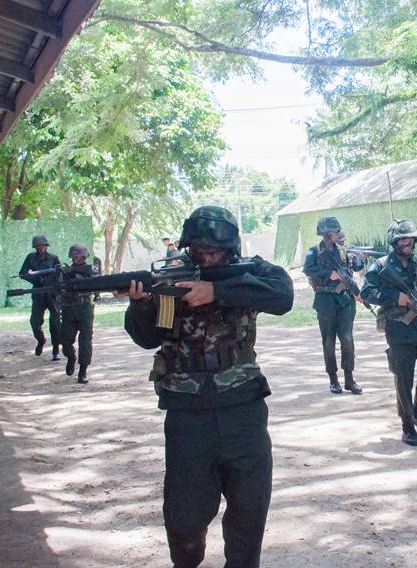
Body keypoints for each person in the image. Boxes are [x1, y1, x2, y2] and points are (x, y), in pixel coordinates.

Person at [123, 206, 293, 568]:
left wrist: (216, 290)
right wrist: (141, 305)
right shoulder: (170, 277)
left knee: (249, 509)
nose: (207, 256)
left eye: (215, 251)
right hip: (187, 412)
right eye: (199, 250)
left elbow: (283, 296)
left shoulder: (249, 271)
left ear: (230, 249)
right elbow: (149, 338)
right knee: (184, 519)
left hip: (243, 405)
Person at [361, 219, 417, 447]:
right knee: (404, 380)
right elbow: (367, 292)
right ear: (394, 242)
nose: (408, 244)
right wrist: (397, 298)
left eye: (411, 240)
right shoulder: (380, 266)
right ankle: (407, 426)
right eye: (403, 240)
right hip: (398, 330)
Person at [303, 217, 364, 395]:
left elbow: (353, 269)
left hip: (344, 300)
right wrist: (329, 274)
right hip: (324, 300)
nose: (336, 234)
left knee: (347, 339)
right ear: (325, 233)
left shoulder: (343, 252)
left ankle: (349, 379)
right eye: (333, 231)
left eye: (337, 231)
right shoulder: (314, 252)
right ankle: (333, 379)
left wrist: (359, 260)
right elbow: (308, 269)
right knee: (329, 341)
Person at [19, 234, 62, 360]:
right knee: (35, 321)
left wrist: (52, 281)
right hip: (38, 292)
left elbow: (60, 273)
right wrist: (36, 279)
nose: (40, 247)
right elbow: (22, 273)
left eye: (42, 245)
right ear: (35, 247)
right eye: (38, 246)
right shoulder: (31, 257)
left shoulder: (53, 258)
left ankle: (55, 350)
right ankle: (41, 340)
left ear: (46, 245)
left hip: (52, 293)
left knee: (55, 323)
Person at [60, 244, 95, 384]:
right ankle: (71, 357)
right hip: (68, 309)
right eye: (75, 256)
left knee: (85, 341)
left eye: (80, 256)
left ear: (85, 257)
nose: (77, 258)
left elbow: (98, 284)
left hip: (85, 309)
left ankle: (83, 371)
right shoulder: (64, 272)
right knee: (66, 340)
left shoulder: (91, 271)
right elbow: (57, 289)